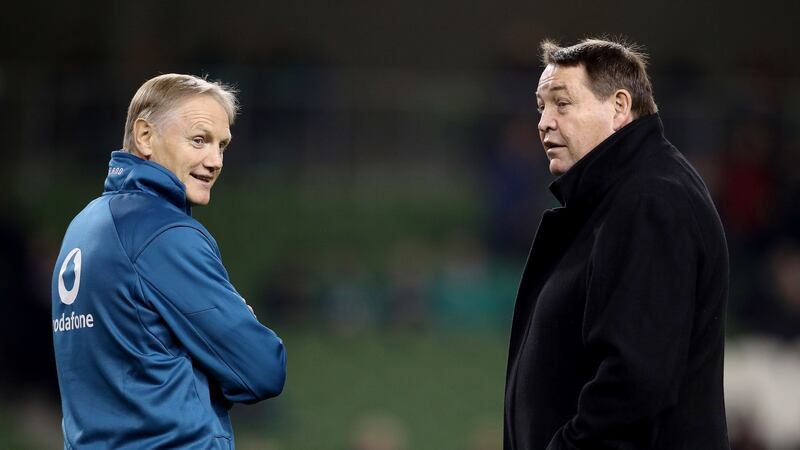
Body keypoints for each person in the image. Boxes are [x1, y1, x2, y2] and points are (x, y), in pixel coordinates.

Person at [504, 38, 729, 449]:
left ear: (620, 107)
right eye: (541, 107)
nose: (544, 122)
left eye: (562, 103)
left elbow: (635, 384)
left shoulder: (651, 202)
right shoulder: (619, 200)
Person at [51, 74, 286, 449]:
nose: (215, 161)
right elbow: (263, 370)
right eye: (199, 140)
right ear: (145, 136)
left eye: (222, 145)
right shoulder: (162, 233)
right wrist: (241, 323)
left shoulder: (84, 226)